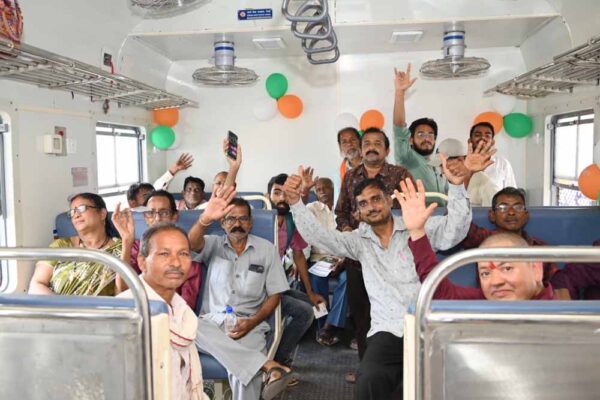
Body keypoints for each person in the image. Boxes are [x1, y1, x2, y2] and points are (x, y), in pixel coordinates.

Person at [284, 156, 474, 399]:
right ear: (358, 212)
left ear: (389, 200)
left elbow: (455, 232)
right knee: (368, 383)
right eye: (363, 204)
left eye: (376, 199)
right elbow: (320, 237)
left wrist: (457, 186)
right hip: (387, 329)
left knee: (436, 387)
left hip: (428, 325)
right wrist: (295, 203)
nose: (371, 207)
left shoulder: (417, 226)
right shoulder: (359, 242)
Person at [188, 189, 294, 400]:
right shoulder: (213, 244)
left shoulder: (267, 250)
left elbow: (275, 295)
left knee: (244, 376)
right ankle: (268, 366)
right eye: (231, 219)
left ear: (251, 222)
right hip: (211, 323)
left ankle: (261, 367)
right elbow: (189, 244)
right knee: (188, 325)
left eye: (243, 219)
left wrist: (252, 322)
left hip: (249, 324)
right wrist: (205, 219)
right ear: (222, 223)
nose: (237, 224)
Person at [335, 126, 413, 379]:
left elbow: (413, 209)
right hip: (360, 257)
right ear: (361, 148)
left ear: (387, 149)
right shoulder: (350, 176)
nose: (371, 147)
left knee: (398, 316)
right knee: (362, 316)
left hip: (395, 256)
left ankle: (403, 372)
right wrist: (350, 231)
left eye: (378, 143)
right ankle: (367, 368)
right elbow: (341, 213)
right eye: (367, 143)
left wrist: (381, 219)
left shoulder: (400, 175)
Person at [401, 178, 556, 301]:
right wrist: (417, 232)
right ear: (492, 215)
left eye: (507, 268)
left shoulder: (555, 314)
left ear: (536, 269)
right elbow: (440, 292)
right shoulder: (489, 299)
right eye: (485, 273)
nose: (496, 281)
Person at [118, 223, 208, 400]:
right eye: (164, 254)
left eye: (183, 254)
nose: (176, 263)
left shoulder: (183, 313)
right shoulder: (126, 316)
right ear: (142, 262)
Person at [267, 173, 324, 369]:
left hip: (277, 285)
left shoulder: (291, 221)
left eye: (286, 193)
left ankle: (279, 353)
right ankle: (278, 361)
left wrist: (310, 292)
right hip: (261, 289)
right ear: (268, 196)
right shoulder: (258, 222)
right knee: (304, 313)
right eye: (277, 193)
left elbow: (299, 255)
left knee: (311, 303)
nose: (281, 198)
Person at [28, 193, 133, 296]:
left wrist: (126, 241)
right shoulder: (60, 246)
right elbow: (36, 285)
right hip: (54, 305)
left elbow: (122, 294)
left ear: (102, 213)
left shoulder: (121, 248)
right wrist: (65, 306)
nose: (76, 215)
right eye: (72, 212)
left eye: (82, 208)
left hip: (98, 307)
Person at [121, 190, 201, 309]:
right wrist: (126, 242)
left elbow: (185, 308)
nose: (157, 218)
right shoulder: (136, 248)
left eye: (164, 213)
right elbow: (123, 290)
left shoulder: (187, 258)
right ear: (145, 217)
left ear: (174, 216)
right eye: (151, 213)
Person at [460, 186, 558, 281]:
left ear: (526, 215)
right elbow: (458, 225)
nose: (511, 212)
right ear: (492, 215)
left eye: (518, 207)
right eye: (503, 207)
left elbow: (556, 284)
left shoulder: (540, 248)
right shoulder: (483, 239)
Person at [306, 177, 348, 346]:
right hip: (319, 258)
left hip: (343, 259)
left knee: (348, 279)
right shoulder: (312, 209)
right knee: (316, 281)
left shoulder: (343, 210)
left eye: (326, 188)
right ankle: (321, 325)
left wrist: (343, 261)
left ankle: (331, 325)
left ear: (333, 188)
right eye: (318, 189)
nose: (322, 191)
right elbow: (303, 231)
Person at [392, 64, 446, 194]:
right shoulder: (408, 158)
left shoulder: (438, 166)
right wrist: (400, 93)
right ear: (410, 140)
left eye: (430, 134)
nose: (427, 138)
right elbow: (399, 129)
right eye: (421, 134)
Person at [432, 138, 500, 207]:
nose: (443, 171)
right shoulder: (446, 182)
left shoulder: (485, 184)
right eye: (440, 166)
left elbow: (495, 211)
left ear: (460, 160)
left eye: (443, 165)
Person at [468, 122, 517, 189]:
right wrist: (471, 172)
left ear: (492, 142)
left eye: (487, 136)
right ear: (470, 141)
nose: (483, 138)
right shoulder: (461, 162)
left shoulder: (503, 163)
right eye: (477, 135)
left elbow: (511, 191)